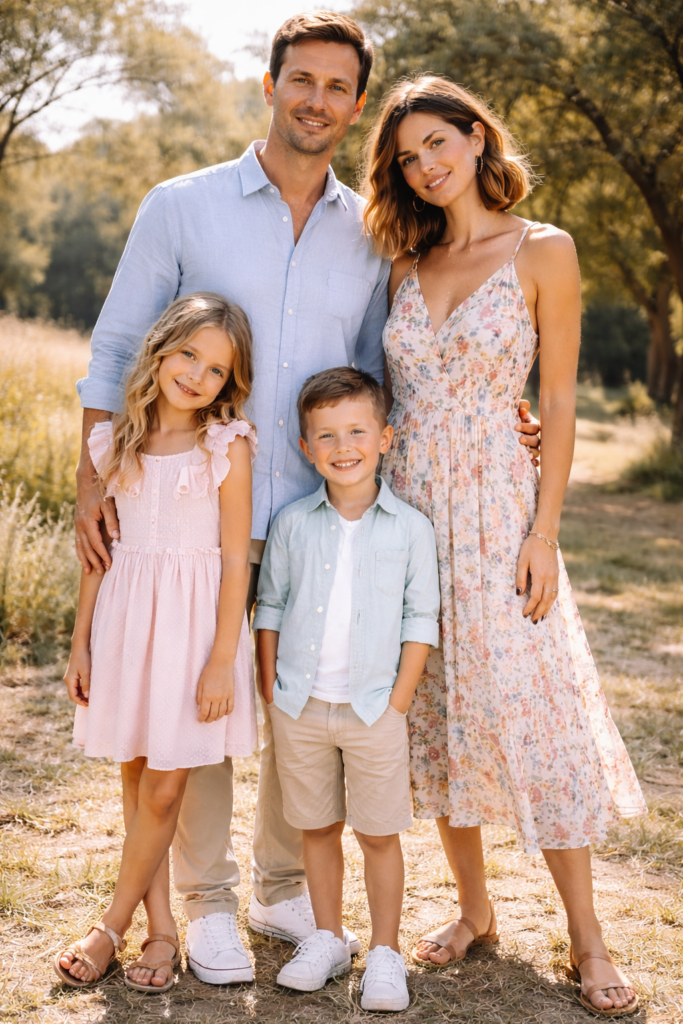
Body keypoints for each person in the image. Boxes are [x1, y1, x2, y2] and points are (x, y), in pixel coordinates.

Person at [72, 12, 540, 981]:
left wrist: (508, 414)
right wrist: (90, 483)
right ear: (271, 83)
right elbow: (118, 350)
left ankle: (281, 881)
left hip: (318, 516)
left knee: (300, 693)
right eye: (302, 80)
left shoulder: (371, 231)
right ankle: (201, 902)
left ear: (356, 103)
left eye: (337, 87)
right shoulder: (180, 206)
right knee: (193, 706)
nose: (317, 100)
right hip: (196, 515)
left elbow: (385, 366)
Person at [363, 76, 646, 1018]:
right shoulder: (402, 263)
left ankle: (586, 937)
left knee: (534, 711)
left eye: (439, 142)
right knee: (436, 710)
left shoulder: (543, 250)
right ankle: (476, 910)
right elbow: (389, 400)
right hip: (406, 514)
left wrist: (545, 530)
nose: (426, 165)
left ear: (478, 138)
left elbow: (557, 401)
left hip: (498, 509)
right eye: (408, 156)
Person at [56, 293, 258, 993]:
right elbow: (99, 554)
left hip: (192, 632)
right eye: (189, 355)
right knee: (139, 777)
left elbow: (235, 561)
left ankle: (109, 927)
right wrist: (80, 643)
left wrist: (222, 659)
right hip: (125, 623)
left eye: (216, 369)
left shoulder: (226, 446)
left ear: (229, 384)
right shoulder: (114, 442)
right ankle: (162, 930)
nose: (198, 375)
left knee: (167, 788)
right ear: (160, 350)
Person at [255, 367, 440, 1012]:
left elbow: (422, 618)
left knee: (380, 833)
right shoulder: (292, 523)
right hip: (301, 705)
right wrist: (271, 690)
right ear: (307, 448)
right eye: (326, 435)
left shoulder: (410, 528)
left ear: (385, 437)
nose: (343, 446)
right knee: (315, 827)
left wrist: (398, 701)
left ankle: (386, 953)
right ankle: (329, 939)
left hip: (373, 708)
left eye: (357, 430)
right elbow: (271, 607)